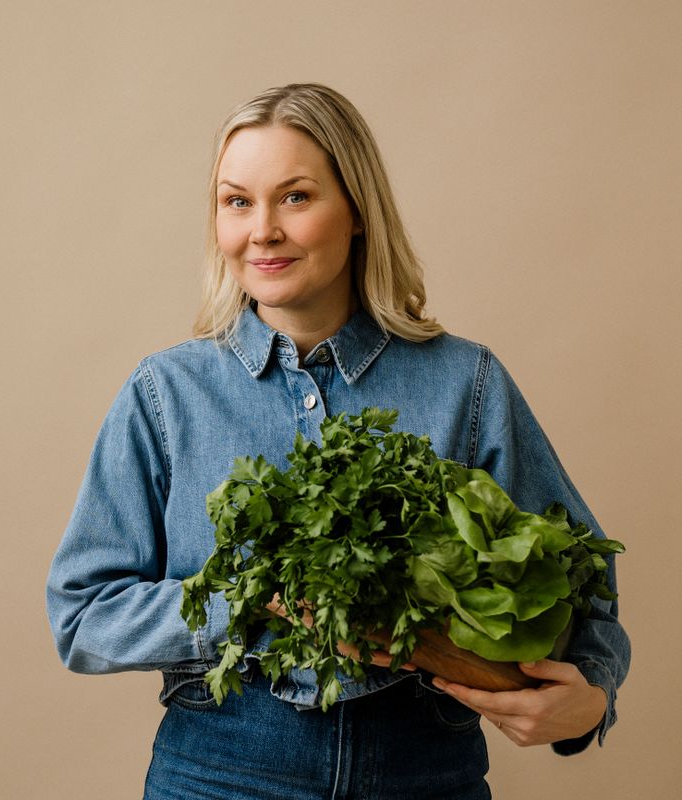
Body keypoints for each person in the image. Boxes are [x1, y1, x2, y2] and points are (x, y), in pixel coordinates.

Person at [46, 83, 630, 799]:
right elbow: (82, 616)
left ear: (357, 212)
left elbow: (586, 585)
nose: (261, 230)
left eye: (295, 197)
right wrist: (252, 601)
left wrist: (590, 699)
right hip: (221, 775)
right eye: (237, 201)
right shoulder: (166, 394)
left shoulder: (466, 384)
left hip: (425, 775)